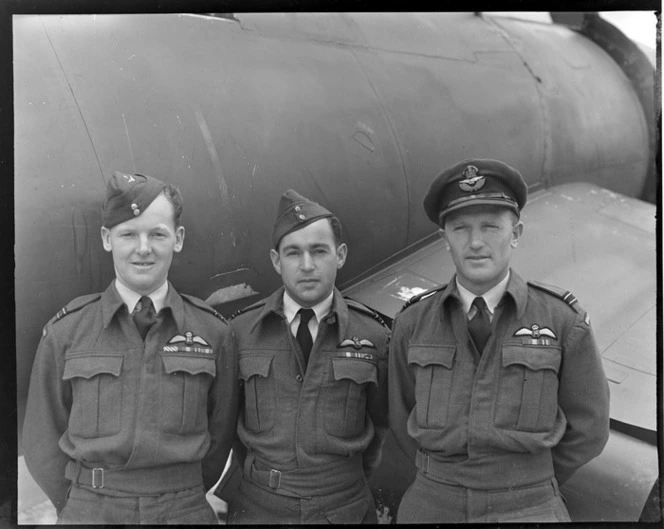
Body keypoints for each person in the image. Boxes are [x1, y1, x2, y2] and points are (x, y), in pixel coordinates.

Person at [389, 159, 610, 523]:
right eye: (460, 229)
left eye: (491, 227)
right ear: (444, 239)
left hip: (528, 506)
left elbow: (590, 427)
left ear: (516, 233)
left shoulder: (561, 320)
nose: (475, 243)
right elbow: (401, 417)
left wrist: (528, 481)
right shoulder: (413, 323)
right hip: (433, 505)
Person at [22, 171, 239, 524]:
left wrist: (180, 496)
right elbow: (41, 440)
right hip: (90, 510)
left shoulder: (212, 333)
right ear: (107, 239)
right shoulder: (67, 332)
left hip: (183, 510)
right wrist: (79, 506)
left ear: (178, 239)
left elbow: (220, 435)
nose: (143, 248)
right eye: (128, 234)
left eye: (157, 234)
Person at [217, 189, 390, 524]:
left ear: (339, 255)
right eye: (293, 253)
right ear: (276, 260)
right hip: (260, 509)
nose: (307, 265)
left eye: (319, 251)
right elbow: (228, 428)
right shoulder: (241, 332)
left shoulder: (374, 335)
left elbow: (379, 427)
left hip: (345, 509)